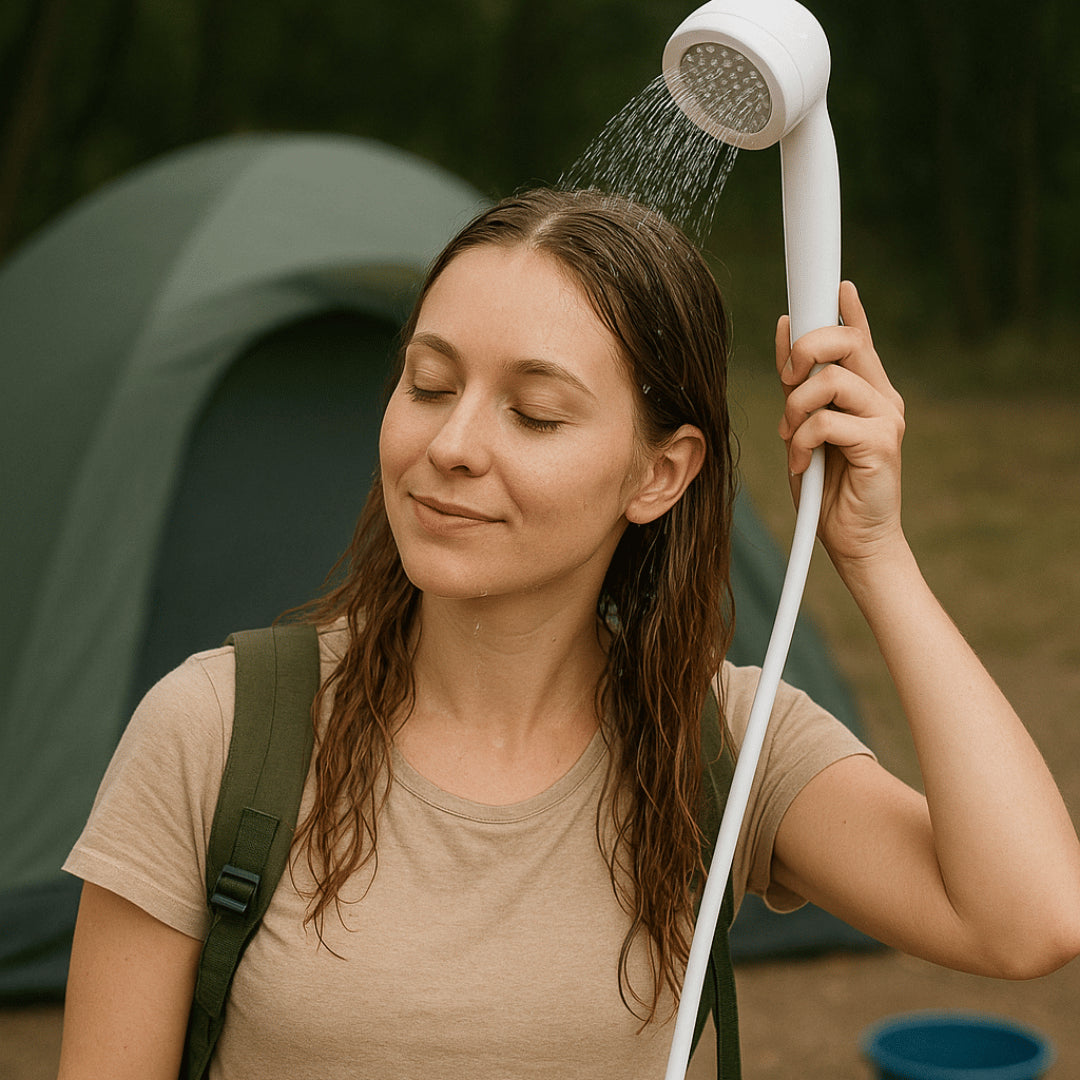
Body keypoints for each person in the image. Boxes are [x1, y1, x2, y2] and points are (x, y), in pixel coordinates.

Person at [57, 188, 1080, 1080]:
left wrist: (874, 556)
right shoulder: (220, 731)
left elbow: (1029, 917)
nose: (451, 447)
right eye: (428, 384)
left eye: (535, 414)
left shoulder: (721, 743)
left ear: (659, 474)